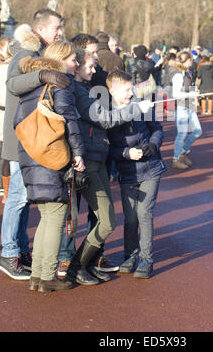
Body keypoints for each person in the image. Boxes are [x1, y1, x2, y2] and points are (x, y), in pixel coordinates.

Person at [64, 50, 153, 285]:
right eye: (90, 65)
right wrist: (135, 109)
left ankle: (86, 265)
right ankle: (76, 267)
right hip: (89, 160)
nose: (94, 70)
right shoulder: (77, 89)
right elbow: (103, 119)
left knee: (105, 219)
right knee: (106, 221)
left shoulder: (85, 88)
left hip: (98, 157)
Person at [0, 9, 70, 281]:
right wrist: (42, 76)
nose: (59, 32)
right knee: (17, 198)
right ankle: (9, 253)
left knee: (24, 198)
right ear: (40, 29)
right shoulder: (26, 53)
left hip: (30, 137)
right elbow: (14, 84)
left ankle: (19, 249)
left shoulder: (38, 52)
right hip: (22, 138)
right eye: (56, 28)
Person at [13, 41, 85, 292]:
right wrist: (78, 153)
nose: (77, 64)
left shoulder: (31, 85)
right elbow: (71, 122)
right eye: (74, 59)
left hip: (31, 156)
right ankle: (45, 277)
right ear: (61, 60)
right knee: (55, 217)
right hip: (51, 156)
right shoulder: (60, 85)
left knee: (47, 217)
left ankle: (38, 276)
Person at [107, 70, 166, 279]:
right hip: (127, 172)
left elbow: (158, 129)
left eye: (131, 88)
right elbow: (108, 149)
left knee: (144, 214)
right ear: (112, 90)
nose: (131, 93)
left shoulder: (143, 105)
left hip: (151, 169)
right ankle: (129, 255)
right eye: (126, 90)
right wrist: (125, 153)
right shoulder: (108, 114)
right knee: (130, 218)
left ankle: (146, 259)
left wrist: (153, 145)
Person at [172, 51, 202, 170]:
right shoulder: (178, 75)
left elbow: (190, 88)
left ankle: (183, 151)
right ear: (185, 61)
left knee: (198, 131)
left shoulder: (188, 72)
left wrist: (195, 94)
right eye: (190, 60)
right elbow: (176, 94)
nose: (192, 62)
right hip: (181, 107)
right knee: (182, 134)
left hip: (189, 106)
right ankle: (176, 158)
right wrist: (191, 93)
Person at [0, 37, 12, 196]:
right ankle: (0, 184)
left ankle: (4, 186)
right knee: (2, 152)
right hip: (2, 112)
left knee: (5, 152)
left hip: (3, 111)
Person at [196, 49, 213, 116]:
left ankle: (204, 111)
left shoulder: (201, 66)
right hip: (210, 83)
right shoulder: (211, 65)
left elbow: (199, 75)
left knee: (203, 98)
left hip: (203, 83)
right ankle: (210, 111)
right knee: (210, 98)